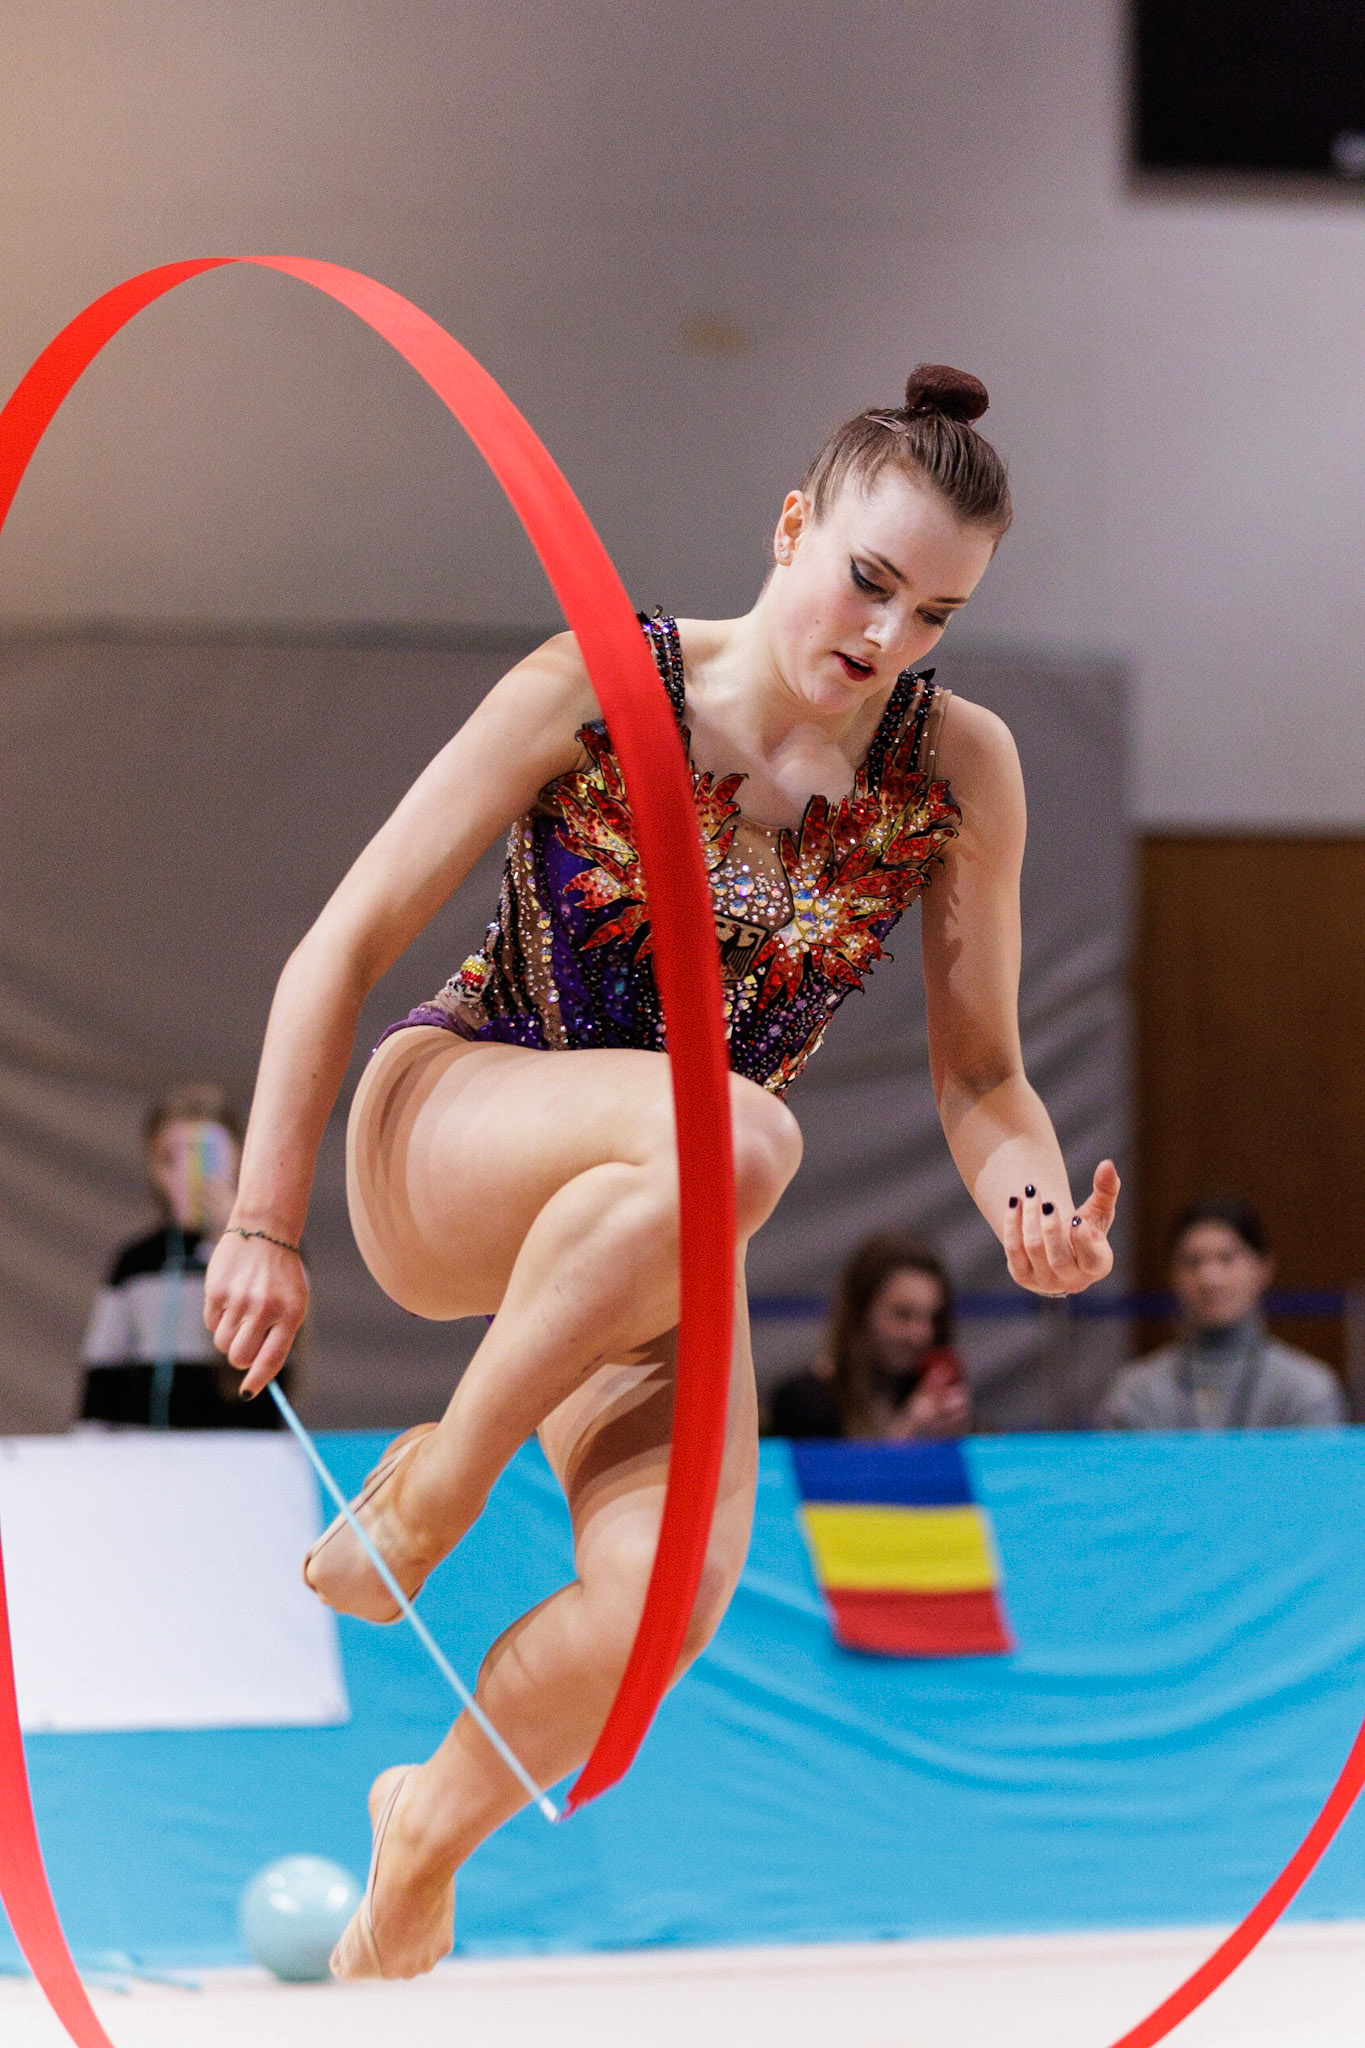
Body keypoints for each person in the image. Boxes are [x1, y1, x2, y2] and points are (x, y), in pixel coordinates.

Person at [203, 363, 1121, 1980]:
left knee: (666, 1604)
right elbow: (340, 941)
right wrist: (262, 1217)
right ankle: (434, 1483)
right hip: (461, 1130)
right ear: (791, 528)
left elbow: (982, 1074)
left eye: (935, 617)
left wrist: (1031, 1207)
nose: (886, 639)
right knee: (747, 1127)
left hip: (664, 1220)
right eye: (868, 580)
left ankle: (422, 1829)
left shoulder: (954, 770)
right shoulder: (600, 683)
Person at [78, 1082, 289, 1431]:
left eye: (205, 1155)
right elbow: (102, 1372)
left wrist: (234, 1238)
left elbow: (281, 1366)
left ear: (239, 1157)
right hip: (149, 1457)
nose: (188, 1174)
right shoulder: (134, 1264)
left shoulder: (269, 1251)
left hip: (245, 1455)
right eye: (170, 1159)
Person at [1097, 1197, 1345, 1430]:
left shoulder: (1306, 1390)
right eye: (1192, 1262)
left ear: (1263, 1268)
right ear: (1173, 1275)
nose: (1210, 1279)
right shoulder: (1134, 1394)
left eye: (1227, 1259)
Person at [768, 1232, 970, 1439]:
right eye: (902, 1314)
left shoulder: (924, 1392)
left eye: (933, 1318)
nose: (922, 1335)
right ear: (859, 1313)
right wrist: (907, 1432)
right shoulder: (802, 1401)